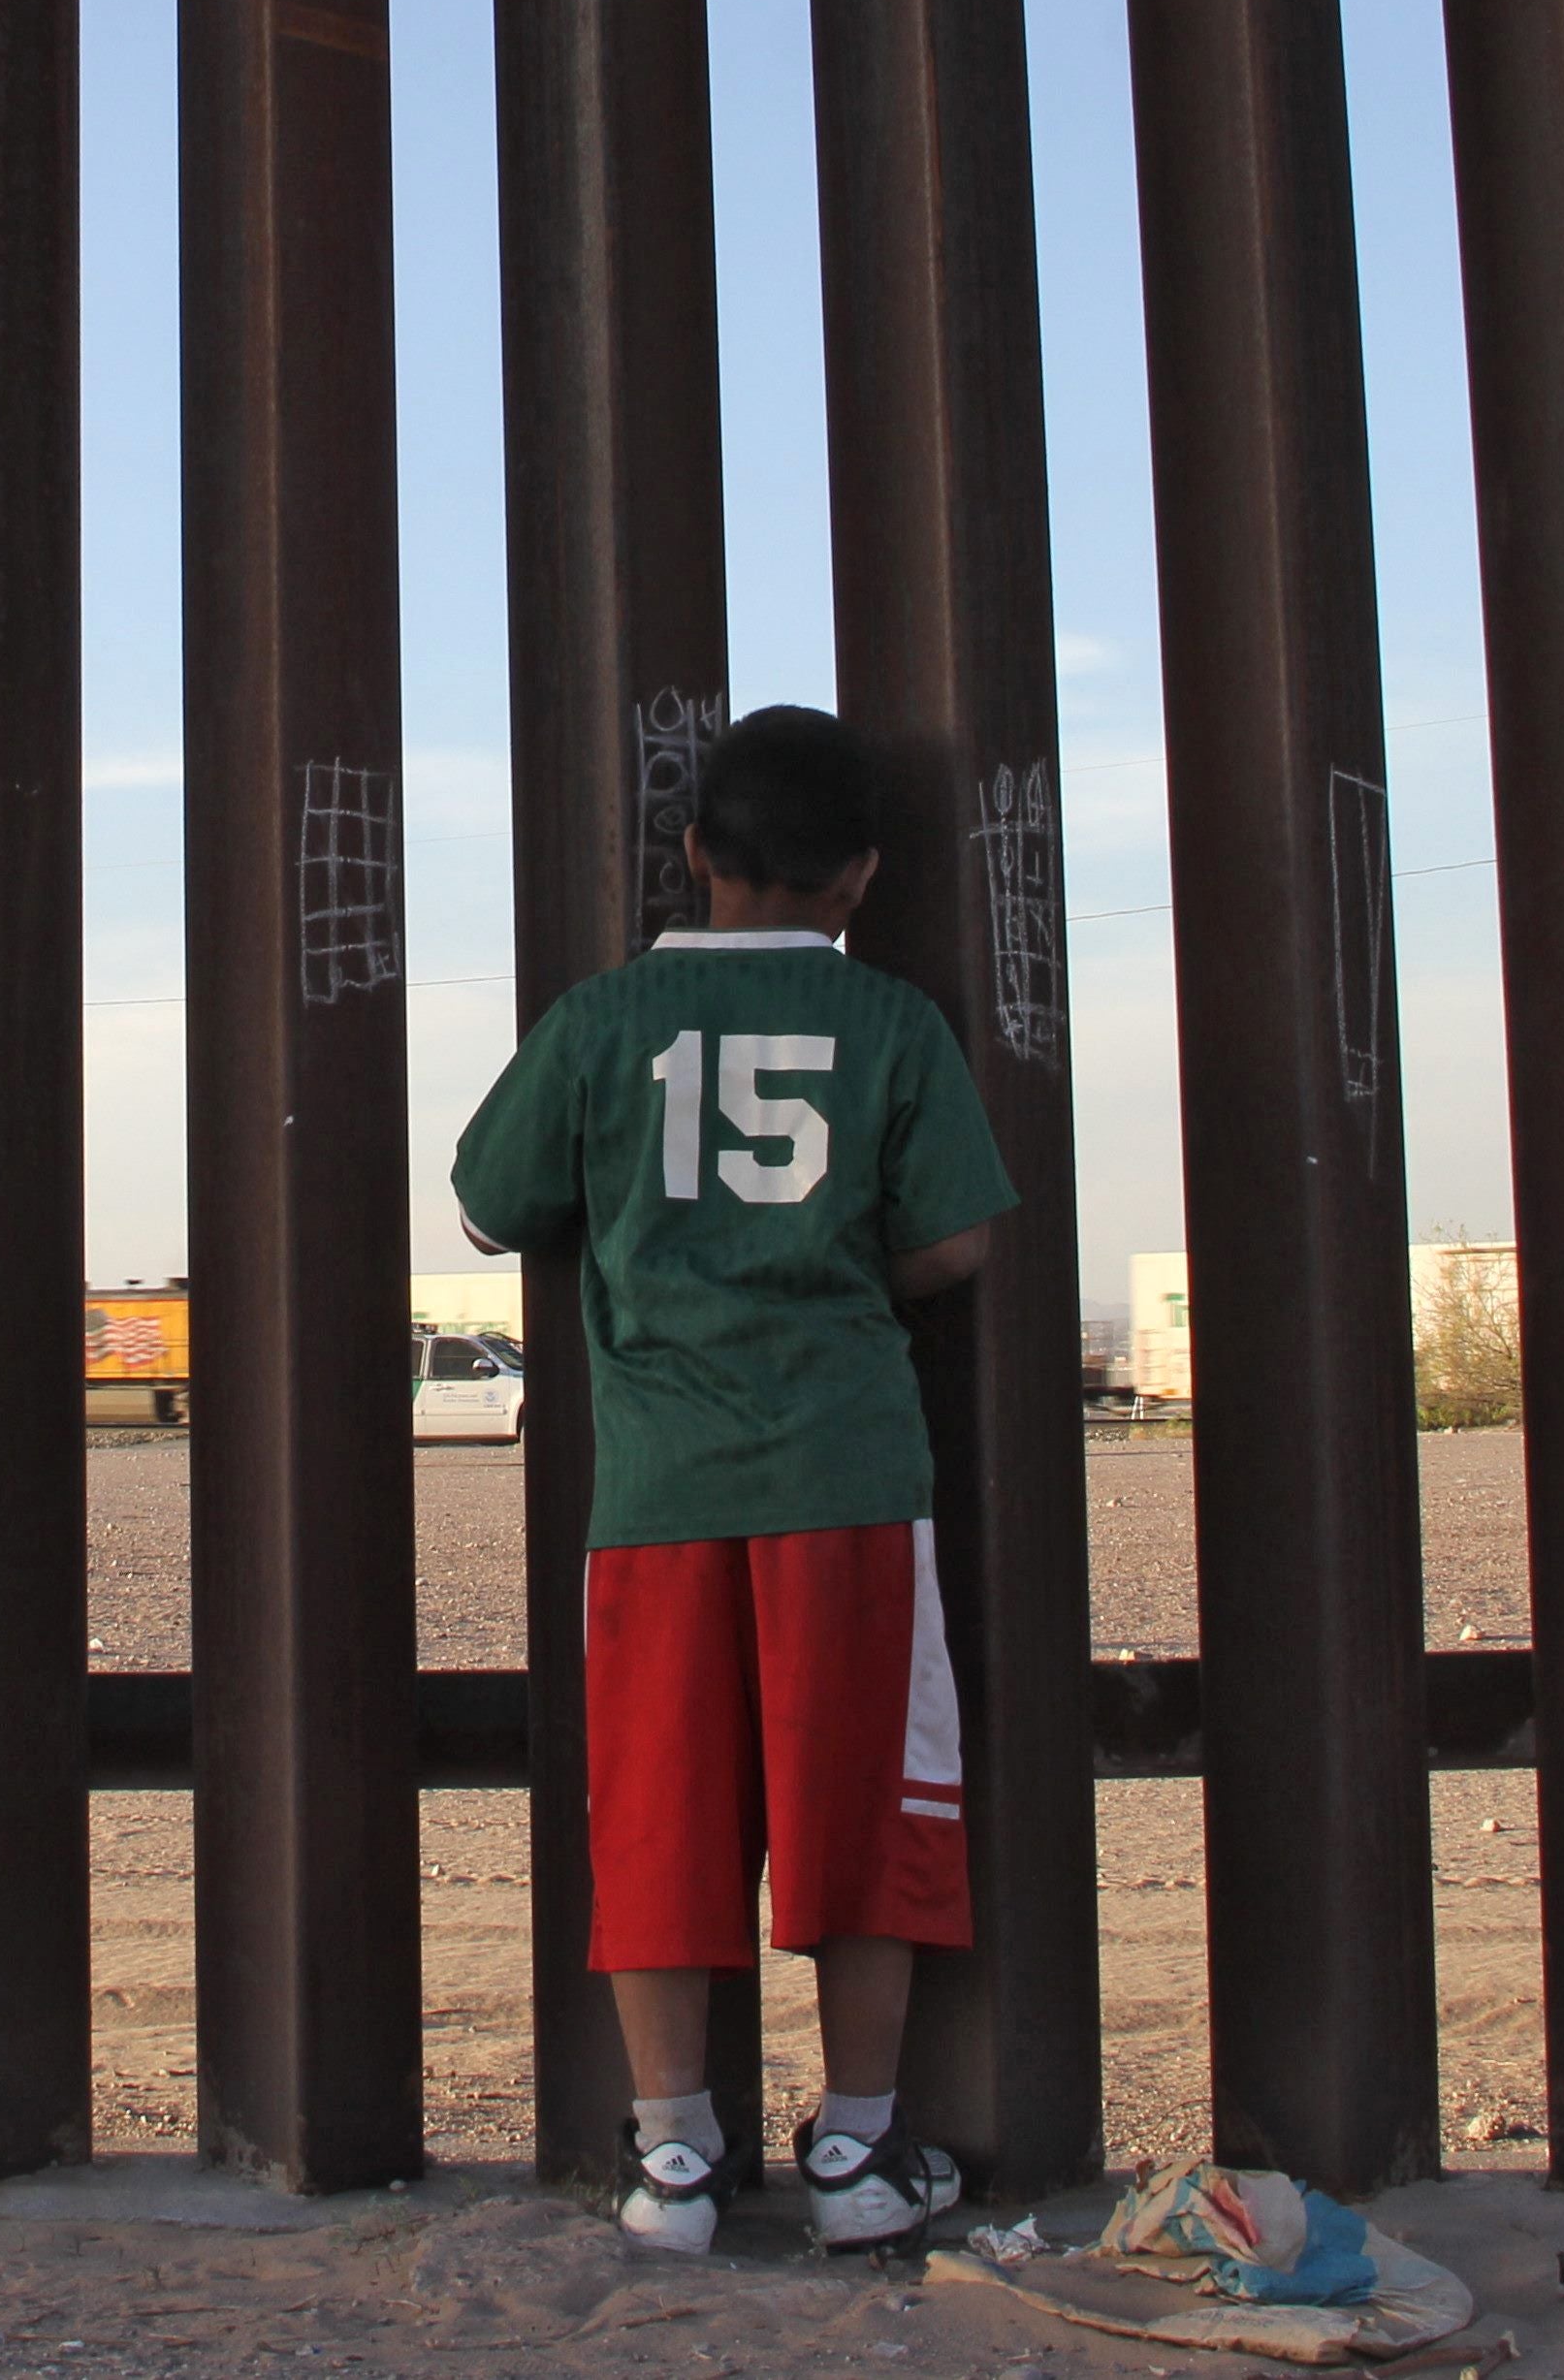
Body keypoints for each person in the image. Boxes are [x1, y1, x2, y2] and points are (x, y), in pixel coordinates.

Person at [447, 705, 1013, 2257]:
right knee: (860, 1814)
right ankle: (853, 2150)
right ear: (861, 878)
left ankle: (676, 2158)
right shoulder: (893, 1023)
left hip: (657, 1493)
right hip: (845, 1475)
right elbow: (959, 1239)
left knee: (658, 1811)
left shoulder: (600, 1018)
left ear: (693, 854)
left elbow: (492, 1205)